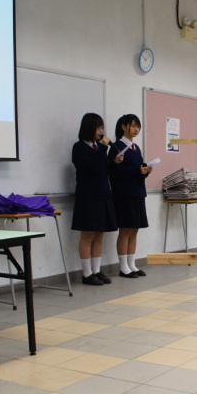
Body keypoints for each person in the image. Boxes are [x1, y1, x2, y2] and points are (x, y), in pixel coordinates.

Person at [71, 113, 124, 286]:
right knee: (88, 234)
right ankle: (86, 274)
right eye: (99, 128)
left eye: (102, 128)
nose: (101, 131)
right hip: (88, 197)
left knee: (99, 234)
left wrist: (114, 162)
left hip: (103, 195)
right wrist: (103, 148)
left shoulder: (97, 147)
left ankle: (96, 270)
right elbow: (92, 167)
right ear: (90, 128)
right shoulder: (79, 147)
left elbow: (103, 168)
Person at [108, 114, 152, 279]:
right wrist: (136, 170)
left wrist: (145, 171)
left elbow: (136, 171)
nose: (136, 129)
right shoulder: (117, 147)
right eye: (133, 125)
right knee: (125, 229)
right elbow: (114, 172)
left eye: (138, 126)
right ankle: (123, 266)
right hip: (124, 195)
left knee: (135, 229)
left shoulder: (135, 148)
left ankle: (132, 264)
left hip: (138, 193)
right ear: (123, 126)